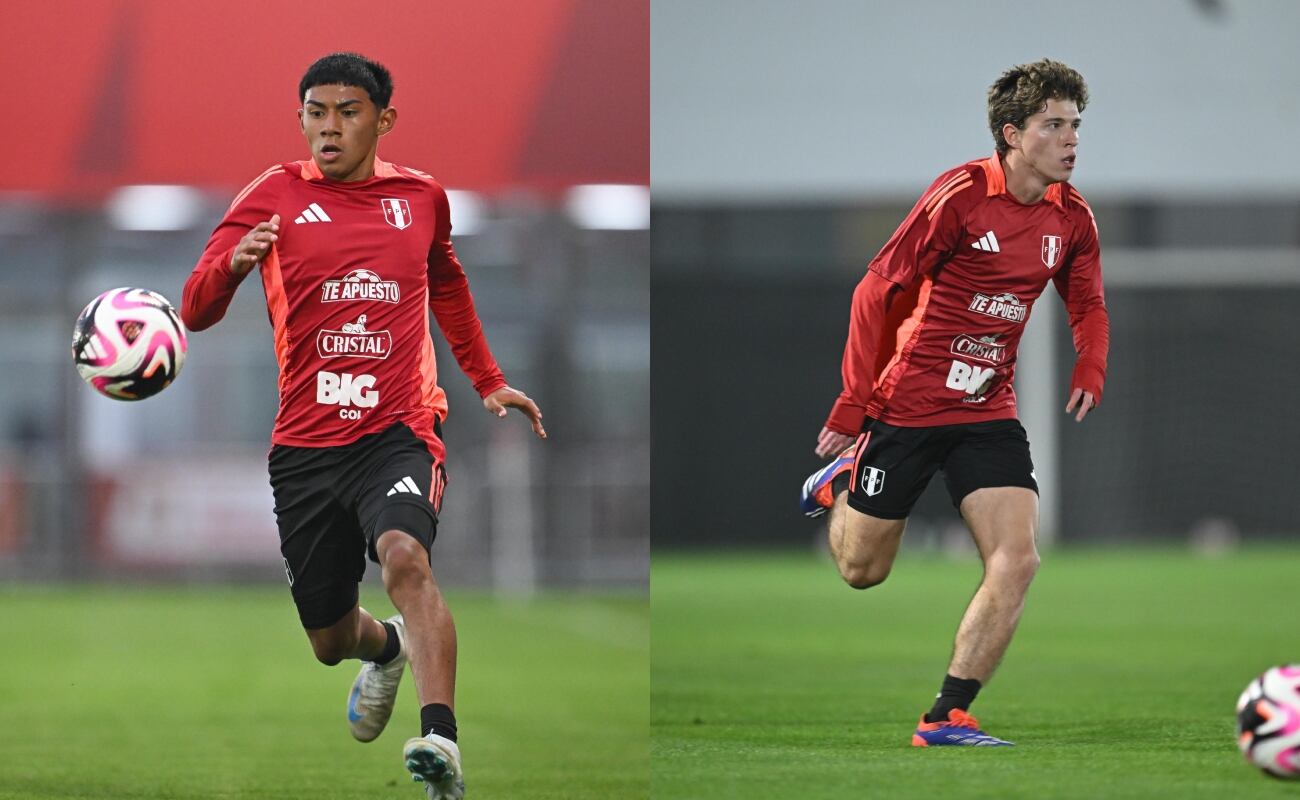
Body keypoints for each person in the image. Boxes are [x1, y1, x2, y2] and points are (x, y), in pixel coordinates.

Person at [181, 52, 546, 797]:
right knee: (327, 640)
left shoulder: (421, 198)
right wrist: (232, 267)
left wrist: (488, 379)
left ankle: (441, 740)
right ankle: (384, 649)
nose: (329, 127)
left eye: (347, 112)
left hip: (398, 431)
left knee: (406, 555)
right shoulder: (271, 195)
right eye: (316, 112)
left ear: (383, 120)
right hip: (305, 448)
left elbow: (447, 284)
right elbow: (194, 310)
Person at [799, 59, 1108, 747]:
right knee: (861, 571)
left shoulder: (1073, 216)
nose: (1071, 139)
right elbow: (874, 291)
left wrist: (1091, 361)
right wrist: (853, 405)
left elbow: (1085, 299)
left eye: (1075, 125)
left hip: (987, 410)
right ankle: (844, 482)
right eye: (1053, 125)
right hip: (906, 404)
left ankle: (945, 716)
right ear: (1012, 134)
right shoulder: (961, 196)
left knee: (1018, 559)